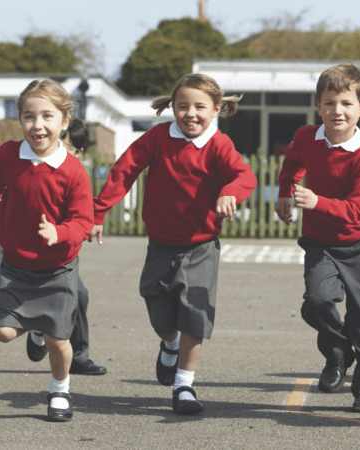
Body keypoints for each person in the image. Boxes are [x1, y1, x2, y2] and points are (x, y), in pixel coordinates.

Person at [87, 74, 256, 415]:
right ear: (172, 108)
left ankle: (184, 386)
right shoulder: (159, 137)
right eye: (182, 106)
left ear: (217, 109)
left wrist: (230, 192)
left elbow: (245, 176)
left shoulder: (219, 145)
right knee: (160, 316)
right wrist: (98, 211)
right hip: (161, 245)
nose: (190, 114)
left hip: (201, 246)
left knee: (195, 313)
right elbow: (123, 170)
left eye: (200, 107)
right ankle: (170, 344)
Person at [0, 118, 107, 377]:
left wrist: (83, 225)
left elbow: (83, 213)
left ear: (78, 152)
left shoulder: (72, 172)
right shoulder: (21, 154)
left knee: (80, 294)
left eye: (67, 147)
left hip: (51, 237)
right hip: (11, 225)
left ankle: (74, 354)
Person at [276, 63, 360, 413]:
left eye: (345, 103)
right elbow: (292, 161)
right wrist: (284, 192)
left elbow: (358, 209)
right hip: (320, 242)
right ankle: (337, 354)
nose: (336, 111)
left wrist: (316, 201)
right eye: (328, 103)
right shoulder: (307, 137)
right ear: (318, 106)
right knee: (318, 301)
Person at [0, 79, 94, 422]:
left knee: (58, 338)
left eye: (47, 116)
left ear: (64, 120)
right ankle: (36, 331)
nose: (38, 125)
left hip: (58, 267)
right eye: (29, 116)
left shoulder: (73, 171)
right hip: (15, 265)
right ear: (20, 119)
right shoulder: (10, 155)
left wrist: (58, 232)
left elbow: (83, 220)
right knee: (0, 332)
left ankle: (59, 389)